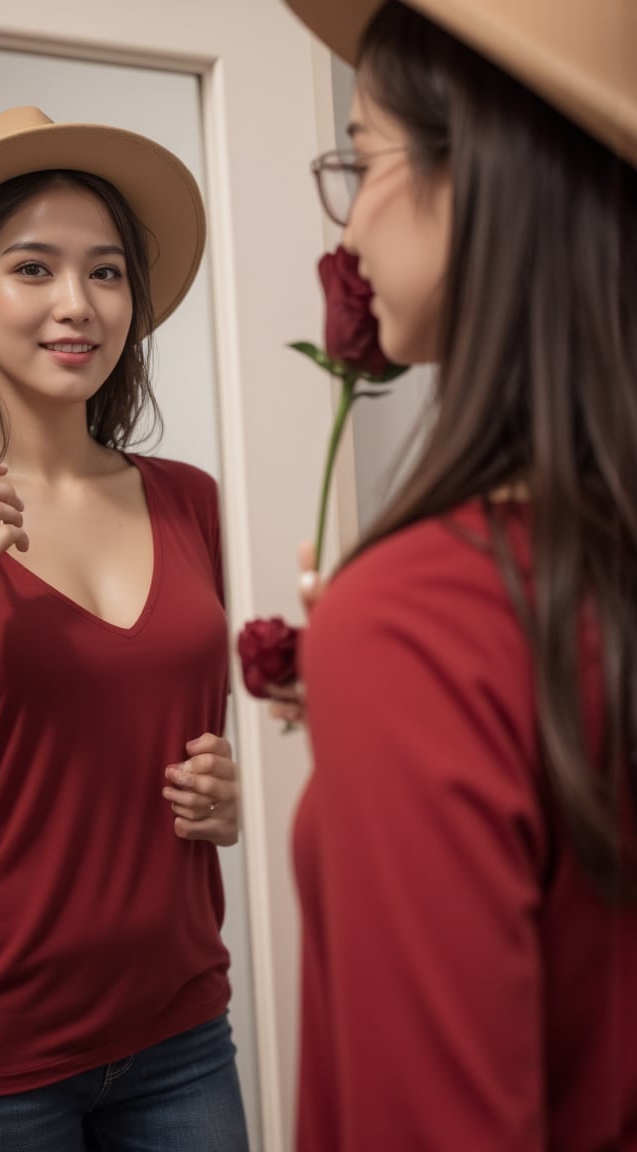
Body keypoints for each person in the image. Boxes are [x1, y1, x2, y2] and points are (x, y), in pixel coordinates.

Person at [275, 1, 637, 1148]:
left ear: (477, 176)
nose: (345, 232)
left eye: (363, 156)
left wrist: (398, 667)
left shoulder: (424, 619)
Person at [0, 106, 249, 1152]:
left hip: (183, 1032)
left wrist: (236, 791)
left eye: (108, 271)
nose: (77, 305)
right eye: (33, 269)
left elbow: (224, 729)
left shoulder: (198, 501)